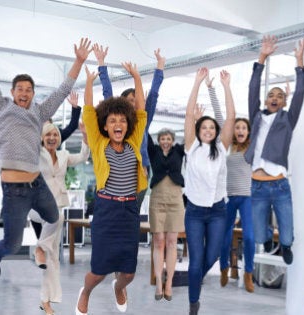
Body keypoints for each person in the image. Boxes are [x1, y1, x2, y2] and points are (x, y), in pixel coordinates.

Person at [0, 13, 92, 279]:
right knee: (13, 244)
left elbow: (64, 90)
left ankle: (42, 251)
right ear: (13, 92)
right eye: (19, 89)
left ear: (33, 93)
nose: (24, 92)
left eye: (28, 89)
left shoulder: (40, 112)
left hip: (37, 183)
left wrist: (78, 61)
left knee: (55, 217)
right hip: (14, 190)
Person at [75, 63, 146, 315]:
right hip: (106, 209)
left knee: (128, 271)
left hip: (129, 210)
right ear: (105, 125)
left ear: (127, 125)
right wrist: (89, 83)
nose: (118, 124)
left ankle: (119, 287)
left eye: (122, 121)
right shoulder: (98, 142)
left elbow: (141, 110)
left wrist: (137, 76)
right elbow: (87, 112)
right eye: (113, 120)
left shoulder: (133, 142)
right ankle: (86, 292)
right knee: (98, 271)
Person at [246, 35, 304, 265]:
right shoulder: (257, 117)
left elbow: (300, 94)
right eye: (271, 95)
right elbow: (252, 88)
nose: (274, 97)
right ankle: (270, 236)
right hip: (257, 185)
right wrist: (262, 57)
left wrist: (299, 62)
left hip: (280, 184)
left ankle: (286, 244)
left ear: (284, 102)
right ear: (265, 101)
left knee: (288, 232)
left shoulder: (288, 120)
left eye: (279, 96)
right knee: (260, 236)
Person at [182, 67, 235, 315]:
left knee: (212, 256)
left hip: (217, 210)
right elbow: (188, 114)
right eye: (203, 128)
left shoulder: (222, 148)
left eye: (211, 129)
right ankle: (194, 304)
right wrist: (196, 83)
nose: (208, 131)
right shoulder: (191, 147)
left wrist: (225, 86)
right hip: (194, 211)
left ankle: (192, 280)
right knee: (195, 261)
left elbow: (232, 118)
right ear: (198, 130)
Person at [93, 44, 165, 209]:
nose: (134, 104)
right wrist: (101, 64)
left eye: (137, 101)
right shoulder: (116, 124)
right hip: (115, 169)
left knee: (132, 211)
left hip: (140, 169)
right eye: (130, 101)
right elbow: (107, 93)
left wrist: (159, 66)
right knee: (114, 209)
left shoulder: (142, 123)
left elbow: (153, 94)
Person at [34, 121, 90, 315]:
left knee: (53, 258)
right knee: (56, 218)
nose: (52, 138)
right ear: (41, 138)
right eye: (48, 135)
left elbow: (84, 156)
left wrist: (84, 135)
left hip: (58, 203)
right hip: (38, 206)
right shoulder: (36, 154)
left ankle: (46, 300)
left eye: (55, 135)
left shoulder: (64, 155)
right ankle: (40, 247)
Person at [207, 72, 255, 292]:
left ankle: (248, 273)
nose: (240, 130)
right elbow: (220, 116)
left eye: (244, 127)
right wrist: (215, 88)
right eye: (237, 127)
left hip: (246, 199)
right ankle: (225, 268)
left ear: (248, 131)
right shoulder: (225, 147)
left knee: (250, 238)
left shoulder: (252, 150)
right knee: (224, 240)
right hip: (228, 199)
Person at [30, 91, 83, 239]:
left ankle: (48, 257)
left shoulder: (56, 135)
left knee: (48, 238)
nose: (50, 135)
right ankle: (43, 256)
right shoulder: (33, 142)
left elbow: (72, 126)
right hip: (37, 195)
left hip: (54, 194)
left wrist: (75, 108)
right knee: (40, 237)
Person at [146, 127, 185, 301]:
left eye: (168, 138)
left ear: (173, 140)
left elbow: (192, 137)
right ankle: (158, 284)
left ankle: (169, 283)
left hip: (175, 199)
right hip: (157, 199)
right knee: (158, 241)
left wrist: (196, 120)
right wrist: (143, 110)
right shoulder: (153, 151)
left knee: (171, 241)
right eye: (162, 138)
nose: (165, 141)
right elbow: (144, 131)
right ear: (159, 140)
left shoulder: (179, 151)